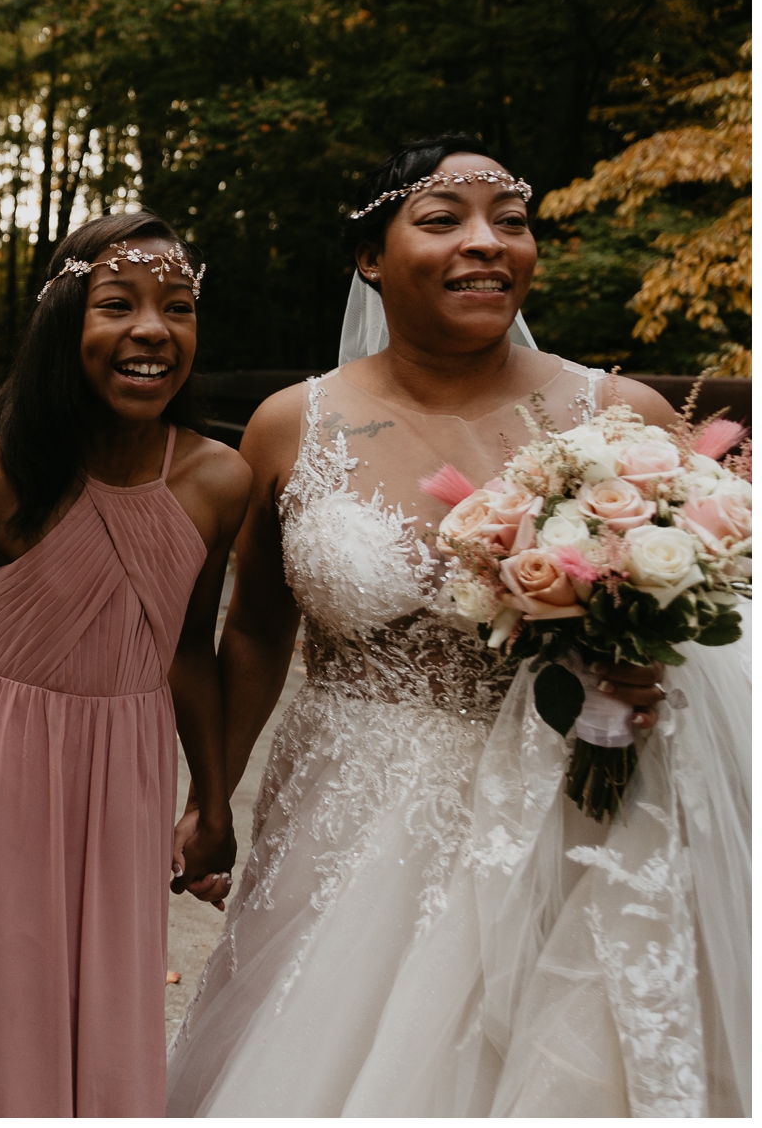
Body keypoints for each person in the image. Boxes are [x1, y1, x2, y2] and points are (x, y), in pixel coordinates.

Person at [166, 136, 751, 1116]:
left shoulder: (615, 413)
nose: (485, 243)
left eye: (510, 221)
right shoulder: (287, 425)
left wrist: (646, 677)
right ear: (368, 255)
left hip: (562, 813)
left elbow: (698, 629)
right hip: (343, 818)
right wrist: (211, 795)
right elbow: (256, 631)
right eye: (441, 219)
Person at [0, 213, 251, 1116]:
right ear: (65, 323)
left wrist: (211, 802)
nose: (151, 332)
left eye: (178, 308)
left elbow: (189, 649)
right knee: (4, 1013)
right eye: (118, 305)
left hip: (128, 777)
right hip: (7, 772)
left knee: (112, 1013)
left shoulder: (218, 481)